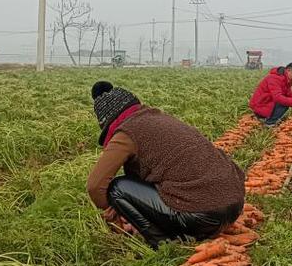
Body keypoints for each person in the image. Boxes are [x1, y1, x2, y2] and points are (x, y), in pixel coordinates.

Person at [86, 81, 245, 248]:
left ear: (109, 123)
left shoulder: (127, 132)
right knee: (141, 183)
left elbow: (95, 186)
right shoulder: (160, 119)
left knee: (117, 187)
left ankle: (161, 243)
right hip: (234, 206)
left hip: (202, 215)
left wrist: (113, 207)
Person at [249, 61, 292, 126]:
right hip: (260, 104)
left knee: (286, 100)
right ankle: (269, 123)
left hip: (266, 102)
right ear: (288, 70)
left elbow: (288, 92)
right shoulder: (274, 78)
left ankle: (263, 117)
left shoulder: (284, 79)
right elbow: (277, 98)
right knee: (284, 103)